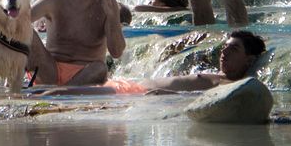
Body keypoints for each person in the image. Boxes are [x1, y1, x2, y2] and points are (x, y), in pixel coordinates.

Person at [36, 30, 266, 96]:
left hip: (134, 94)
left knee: (60, 94)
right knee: (58, 92)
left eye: (233, 49)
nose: (224, 52)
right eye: (224, 47)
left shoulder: (233, 86)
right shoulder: (219, 76)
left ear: (250, 59)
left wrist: (162, 96)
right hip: (131, 87)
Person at [25, 0, 125, 86]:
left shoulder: (109, 4)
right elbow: (14, 23)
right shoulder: (53, 1)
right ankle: (58, 89)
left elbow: (116, 53)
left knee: (100, 68)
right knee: (24, 28)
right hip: (49, 71)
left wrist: (112, 16)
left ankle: (62, 91)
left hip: (84, 75)